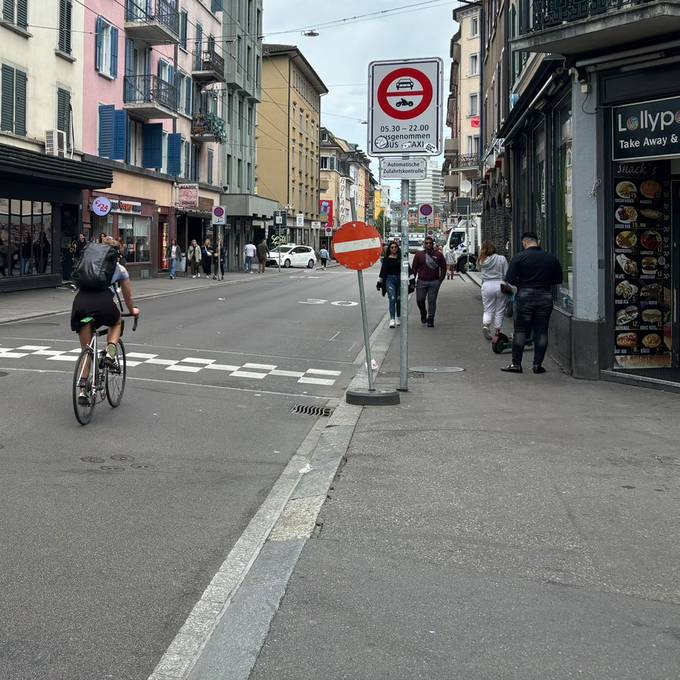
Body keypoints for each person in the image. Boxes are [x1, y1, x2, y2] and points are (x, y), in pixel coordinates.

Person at [70, 237, 140, 405]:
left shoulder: (88, 264)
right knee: (116, 322)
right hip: (103, 303)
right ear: (115, 254)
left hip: (81, 304)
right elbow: (127, 296)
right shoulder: (119, 269)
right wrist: (132, 311)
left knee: (86, 350)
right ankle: (110, 352)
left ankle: (82, 391)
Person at [501, 231, 563, 374]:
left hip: (525, 296)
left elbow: (509, 280)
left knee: (521, 330)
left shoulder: (519, 258)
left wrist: (522, 283)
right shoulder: (550, 258)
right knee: (541, 331)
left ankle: (516, 364)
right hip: (544, 296)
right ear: (538, 241)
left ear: (524, 243)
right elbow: (558, 279)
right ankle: (537, 365)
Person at [412, 235, 447, 327]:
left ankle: (431, 318)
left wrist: (440, 280)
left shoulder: (438, 254)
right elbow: (414, 269)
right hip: (421, 281)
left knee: (432, 301)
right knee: (420, 300)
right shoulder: (419, 255)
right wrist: (412, 281)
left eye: (430, 243)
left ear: (433, 244)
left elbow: (444, 267)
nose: (428, 245)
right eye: (426, 243)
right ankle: (423, 313)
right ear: (424, 244)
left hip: (434, 282)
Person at [478, 240, 509, 341]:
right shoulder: (501, 258)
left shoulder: (481, 260)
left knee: (488, 309)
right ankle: (497, 332)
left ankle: (486, 326)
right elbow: (506, 273)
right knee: (500, 310)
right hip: (500, 284)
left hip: (486, 285)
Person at [377, 241, 411, 328]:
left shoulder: (402, 259)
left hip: (400, 280)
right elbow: (382, 272)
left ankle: (398, 317)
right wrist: (379, 283)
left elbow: (408, 270)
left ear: (397, 248)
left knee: (399, 299)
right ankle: (392, 319)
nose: (394, 249)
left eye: (395, 247)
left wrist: (412, 282)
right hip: (389, 280)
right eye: (392, 247)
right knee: (392, 298)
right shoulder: (386, 259)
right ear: (389, 249)